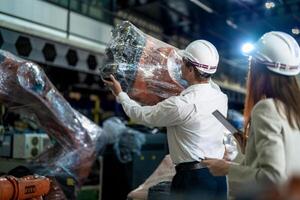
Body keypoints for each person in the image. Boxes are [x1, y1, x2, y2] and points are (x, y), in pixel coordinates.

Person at [103, 40, 228, 200]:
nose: (179, 65)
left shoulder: (180, 105)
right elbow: (207, 84)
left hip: (193, 180)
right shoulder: (220, 97)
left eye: (183, 63)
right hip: (218, 177)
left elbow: (140, 114)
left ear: (190, 69)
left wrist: (120, 93)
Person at [203, 31, 300, 195]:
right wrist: (250, 147)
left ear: (260, 72)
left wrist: (227, 169)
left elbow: (272, 178)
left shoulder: (267, 108)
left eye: (251, 67)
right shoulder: (293, 110)